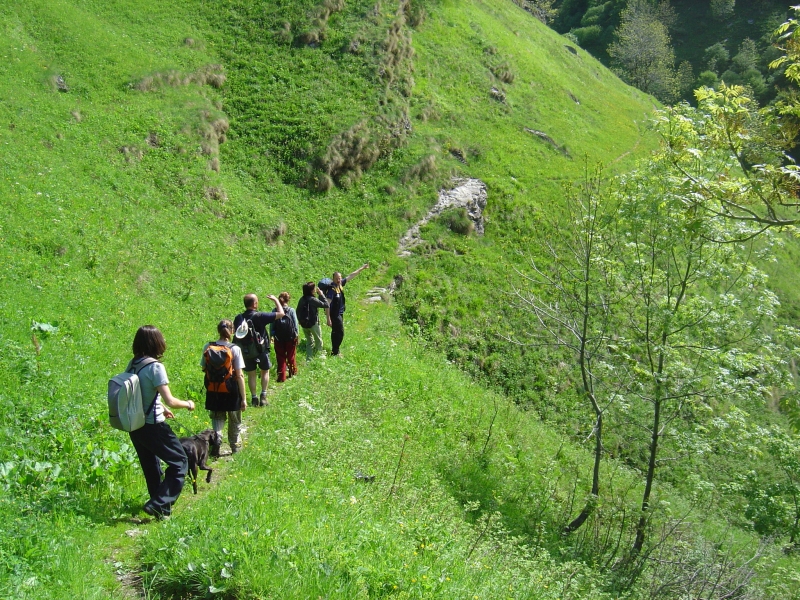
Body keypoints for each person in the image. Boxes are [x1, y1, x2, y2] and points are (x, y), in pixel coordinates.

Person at [127, 325, 195, 519]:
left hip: (135, 425)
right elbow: (171, 400)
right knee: (180, 462)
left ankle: (160, 511)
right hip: (153, 426)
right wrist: (188, 403)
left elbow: (138, 393)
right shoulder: (155, 367)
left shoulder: (133, 364)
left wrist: (162, 409)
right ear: (156, 343)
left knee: (151, 467)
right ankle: (159, 503)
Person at [200, 320, 247, 455]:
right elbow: (240, 376)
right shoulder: (234, 349)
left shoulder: (207, 346)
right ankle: (235, 446)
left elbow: (204, 367)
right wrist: (243, 398)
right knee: (235, 420)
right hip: (231, 390)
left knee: (217, 418)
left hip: (214, 389)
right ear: (232, 331)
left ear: (218, 330)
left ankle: (217, 440)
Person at [233, 294, 284, 407]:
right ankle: (263, 396)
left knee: (251, 374)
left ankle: (254, 398)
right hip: (261, 350)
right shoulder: (260, 316)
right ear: (255, 304)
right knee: (265, 371)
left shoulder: (238, 318)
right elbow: (281, 313)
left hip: (246, 351)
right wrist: (276, 300)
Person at [324, 263, 369, 356]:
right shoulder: (331, 290)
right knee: (340, 332)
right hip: (334, 314)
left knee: (336, 331)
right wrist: (328, 319)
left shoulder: (340, 285)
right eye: (337, 278)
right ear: (333, 279)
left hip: (340, 313)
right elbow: (327, 304)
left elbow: (351, 275)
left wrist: (362, 268)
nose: (339, 280)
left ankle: (335, 350)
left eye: (340, 278)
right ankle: (335, 351)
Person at [270, 292, 300, 382]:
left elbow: (272, 325)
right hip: (290, 338)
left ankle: (281, 376)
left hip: (278, 338)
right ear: (288, 300)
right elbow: (295, 325)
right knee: (291, 356)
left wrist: (271, 335)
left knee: (280, 357)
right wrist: (296, 335)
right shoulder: (291, 310)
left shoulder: (274, 311)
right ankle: (293, 373)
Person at [296, 281, 330, 360]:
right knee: (318, 340)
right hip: (313, 324)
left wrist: (300, 320)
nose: (315, 289)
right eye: (314, 288)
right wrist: (321, 294)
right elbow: (326, 304)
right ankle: (319, 357)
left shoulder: (302, 299)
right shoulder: (312, 299)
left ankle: (309, 359)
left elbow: (297, 311)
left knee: (309, 342)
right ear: (311, 290)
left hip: (304, 324)